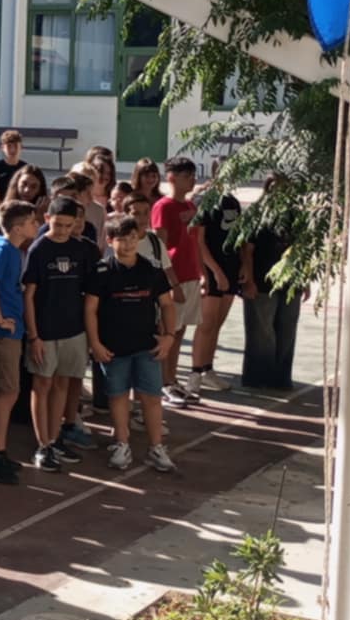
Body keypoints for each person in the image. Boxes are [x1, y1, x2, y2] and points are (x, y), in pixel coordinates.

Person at [87, 215, 180, 474]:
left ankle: (156, 447)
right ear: (109, 241)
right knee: (118, 396)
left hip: (147, 347)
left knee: (151, 397)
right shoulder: (101, 272)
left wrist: (169, 336)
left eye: (132, 238)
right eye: (121, 239)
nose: (128, 244)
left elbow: (167, 304)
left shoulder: (151, 269)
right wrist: (95, 343)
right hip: (113, 348)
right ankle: (121, 443)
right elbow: (90, 309)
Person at [22, 196, 102, 471]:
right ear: (47, 219)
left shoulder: (82, 249)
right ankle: (42, 444)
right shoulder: (39, 249)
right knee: (42, 384)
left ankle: (54, 438)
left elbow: (90, 293)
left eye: (69, 225)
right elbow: (29, 296)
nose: (63, 231)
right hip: (45, 331)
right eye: (58, 225)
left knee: (62, 384)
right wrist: (34, 336)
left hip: (73, 330)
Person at [0, 200, 39, 479]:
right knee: (7, 392)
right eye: (32, 222)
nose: (36, 226)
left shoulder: (11, 250)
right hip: (3, 334)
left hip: (9, 330)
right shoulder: (3, 250)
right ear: (17, 228)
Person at [151, 156, 205, 407]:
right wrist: (171, 283)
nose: (192, 180)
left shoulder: (191, 206)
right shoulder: (163, 207)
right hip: (175, 278)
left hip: (192, 275)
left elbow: (197, 242)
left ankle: (172, 379)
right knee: (168, 332)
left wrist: (203, 274)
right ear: (171, 177)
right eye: (186, 176)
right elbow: (160, 248)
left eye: (193, 176)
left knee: (179, 332)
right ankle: (163, 384)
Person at [239, 177, 302, 390]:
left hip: (291, 283)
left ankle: (281, 378)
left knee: (287, 332)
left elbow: (301, 250)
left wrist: (304, 280)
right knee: (261, 332)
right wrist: (248, 280)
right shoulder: (257, 214)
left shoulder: (295, 216)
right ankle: (258, 377)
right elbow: (247, 249)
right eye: (275, 188)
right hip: (262, 281)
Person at [190, 187, 242, 392]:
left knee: (216, 324)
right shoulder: (205, 200)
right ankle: (195, 373)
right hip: (212, 269)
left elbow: (239, 237)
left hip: (231, 268)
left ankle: (207, 369)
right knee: (206, 323)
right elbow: (199, 241)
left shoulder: (233, 202)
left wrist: (243, 266)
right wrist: (215, 272)